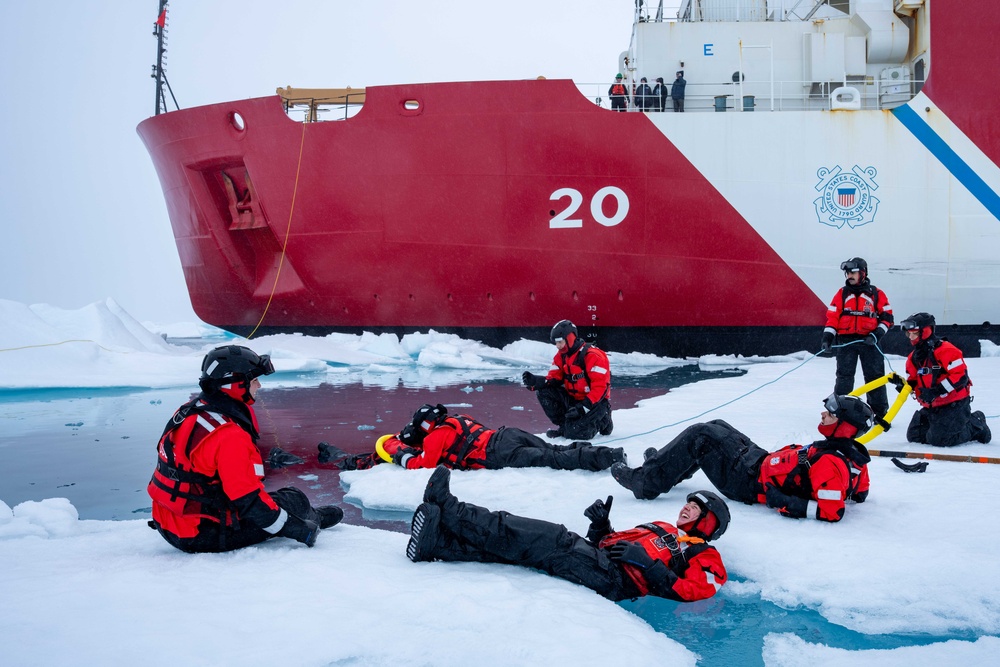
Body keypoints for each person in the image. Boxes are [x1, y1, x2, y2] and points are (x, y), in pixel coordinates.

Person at [407, 466, 729, 603]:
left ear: (709, 521)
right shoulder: (664, 529)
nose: (686, 508)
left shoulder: (704, 555)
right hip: (604, 564)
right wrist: (602, 526)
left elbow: (694, 591)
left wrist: (648, 565)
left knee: (543, 539)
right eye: (687, 503)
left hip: (616, 581)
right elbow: (607, 546)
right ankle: (441, 544)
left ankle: (450, 510)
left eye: (695, 507)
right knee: (522, 551)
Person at [147, 345, 343, 552]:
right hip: (200, 534)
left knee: (271, 498)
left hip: (168, 523)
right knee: (294, 499)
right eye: (253, 380)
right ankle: (313, 517)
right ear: (235, 385)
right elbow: (248, 501)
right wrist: (299, 529)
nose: (258, 385)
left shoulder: (188, 412)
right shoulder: (229, 435)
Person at [611, 394, 873, 523]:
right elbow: (860, 493)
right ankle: (668, 467)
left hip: (748, 482)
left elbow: (832, 512)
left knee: (701, 435)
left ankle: (645, 482)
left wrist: (786, 502)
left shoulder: (831, 463)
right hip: (760, 462)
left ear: (845, 426)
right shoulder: (853, 456)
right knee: (717, 424)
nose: (823, 415)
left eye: (830, 414)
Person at [331, 403, 626, 472]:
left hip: (499, 454)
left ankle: (606, 458)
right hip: (506, 434)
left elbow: (422, 465)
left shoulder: (435, 437)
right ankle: (604, 452)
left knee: (552, 459)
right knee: (552, 449)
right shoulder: (457, 418)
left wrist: (400, 454)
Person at [820, 257, 894, 421]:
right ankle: (840, 412)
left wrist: (876, 335)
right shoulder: (842, 294)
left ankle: (879, 413)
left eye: (852, 272)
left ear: (863, 273)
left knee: (875, 378)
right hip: (846, 341)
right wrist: (828, 337)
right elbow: (832, 317)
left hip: (870, 341)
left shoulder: (876, 294)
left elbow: (888, 318)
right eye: (847, 273)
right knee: (844, 378)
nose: (849, 276)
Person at [901, 313, 991, 446]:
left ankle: (976, 424)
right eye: (909, 334)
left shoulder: (946, 350)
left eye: (914, 333)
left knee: (940, 440)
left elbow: (960, 376)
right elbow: (913, 381)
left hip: (954, 404)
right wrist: (902, 386)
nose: (911, 338)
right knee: (915, 436)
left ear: (925, 332)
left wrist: (937, 391)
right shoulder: (913, 358)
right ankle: (942, 426)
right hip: (933, 406)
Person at [522, 320, 614, 439]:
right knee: (544, 391)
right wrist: (537, 382)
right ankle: (565, 425)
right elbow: (554, 378)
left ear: (569, 339)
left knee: (576, 434)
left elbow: (600, 388)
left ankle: (603, 421)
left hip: (594, 403)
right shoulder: (561, 356)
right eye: (556, 343)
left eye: (560, 342)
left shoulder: (593, 356)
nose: (558, 346)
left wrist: (582, 409)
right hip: (574, 401)